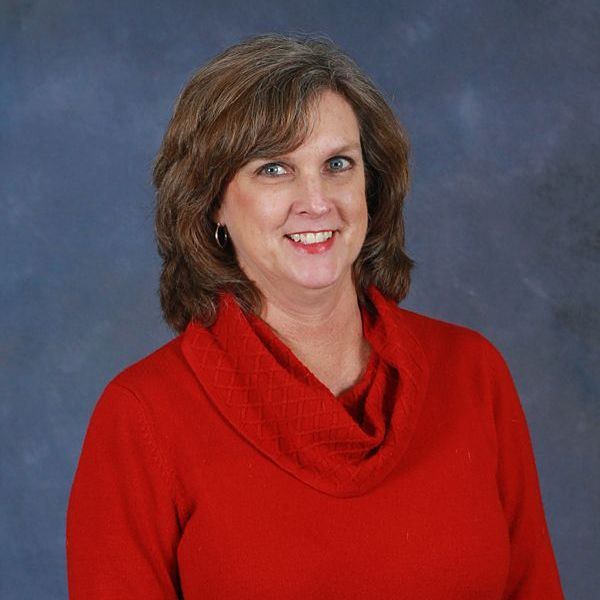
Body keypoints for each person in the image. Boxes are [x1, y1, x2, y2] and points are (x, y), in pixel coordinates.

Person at [66, 34, 565, 599]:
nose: (317, 200)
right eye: (274, 169)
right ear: (211, 205)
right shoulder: (142, 417)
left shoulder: (473, 372)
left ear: (371, 186)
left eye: (337, 164)